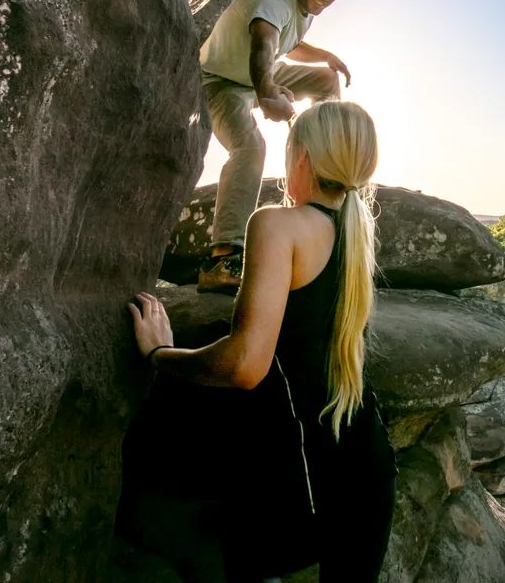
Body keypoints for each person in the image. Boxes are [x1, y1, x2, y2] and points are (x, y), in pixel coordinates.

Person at [129, 100, 396, 582]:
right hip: (367, 461)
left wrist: (159, 354)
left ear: (302, 160)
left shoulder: (277, 224)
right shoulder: (356, 234)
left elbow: (245, 364)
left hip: (302, 476)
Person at [196, 0, 356, 295]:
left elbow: (290, 43)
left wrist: (327, 56)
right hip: (221, 83)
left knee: (326, 80)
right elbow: (265, 44)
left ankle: (321, 171)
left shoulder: (304, 8)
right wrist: (268, 93)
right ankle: (222, 258)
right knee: (250, 147)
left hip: (260, 75)